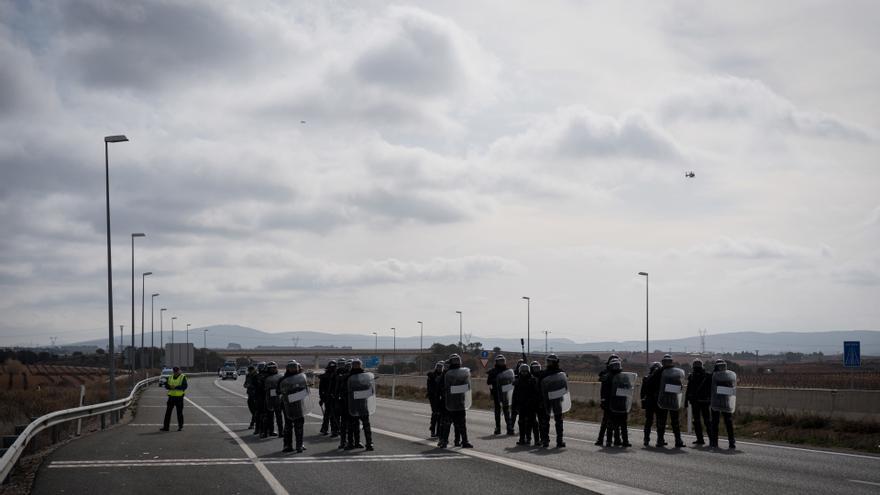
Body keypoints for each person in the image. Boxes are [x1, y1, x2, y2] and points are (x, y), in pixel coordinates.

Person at [438, 354, 473, 449]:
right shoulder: (446, 373)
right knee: (447, 423)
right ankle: (444, 441)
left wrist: (455, 389)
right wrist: (449, 391)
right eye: (454, 360)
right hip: (448, 401)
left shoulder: (464, 373)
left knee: (462, 423)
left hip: (460, 401)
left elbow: (468, 386)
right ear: (450, 362)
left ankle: (463, 441)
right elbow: (441, 387)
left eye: (457, 360)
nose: (456, 362)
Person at [655, 355, 685, 448]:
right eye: (666, 361)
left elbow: (680, 385)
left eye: (668, 361)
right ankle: (660, 440)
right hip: (663, 399)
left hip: (672, 399)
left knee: (674, 421)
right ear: (663, 362)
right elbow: (651, 383)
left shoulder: (676, 373)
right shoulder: (659, 372)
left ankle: (678, 440)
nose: (667, 363)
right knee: (662, 421)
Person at [538, 354, 567, 448]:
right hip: (546, 400)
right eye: (548, 361)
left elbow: (564, 385)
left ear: (555, 362)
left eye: (550, 361)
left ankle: (560, 441)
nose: (548, 363)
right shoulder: (543, 374)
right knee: (545, 421)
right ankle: (545, 440)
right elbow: (539, 388)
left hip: (557, 400)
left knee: (559, 421)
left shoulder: (561, 372)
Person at [279, 360, 308, 453]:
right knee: (288, 426)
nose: (293, 369)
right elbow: (277, 391)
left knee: (299, 425)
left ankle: (299, 445)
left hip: (299, 404)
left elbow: (305, 389)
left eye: (294, 367)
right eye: (291, 367)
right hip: (287, 405)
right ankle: (287, 445)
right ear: (287, 369)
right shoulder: (283, 379)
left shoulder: (301, 378)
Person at [347, 358, 375, 451]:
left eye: (358, 364)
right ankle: (352, 443)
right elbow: (345, 390)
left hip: (363, 404)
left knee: (366, 425)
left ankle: (369, 443)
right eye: (355, 364)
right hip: (352, 404)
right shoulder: (348, 376)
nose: (356, 366)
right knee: (352, 426)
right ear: (352, 365)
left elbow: (370, 389)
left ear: (360, 365)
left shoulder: (365, 376)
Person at [709, 359, 737, 449]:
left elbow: (732, 388)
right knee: (716, 423)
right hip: (717, 402)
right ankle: (715, 442)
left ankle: (731, 441)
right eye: (720, 366)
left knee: (727, 422)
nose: (721, 368)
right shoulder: (713, 376)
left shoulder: (728, 376)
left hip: (724, 402)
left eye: (723, 366)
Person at [596, 354, 622, 446]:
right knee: (606, 421)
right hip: (608, 400)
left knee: (616, 421)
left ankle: (617, 440)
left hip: (617, 401)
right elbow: (603, 386)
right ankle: (601, 439)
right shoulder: (606, 374)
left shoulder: (620, 374)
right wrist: (603, 400)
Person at [685, 358, 712, 445]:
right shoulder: (707, 375)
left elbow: (688, 389)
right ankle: (711, 440)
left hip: (697, 401)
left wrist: (686, 401)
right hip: (703, 401)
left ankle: (701, 439)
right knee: (706, 420)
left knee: (698, 420)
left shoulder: (693, 375)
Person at [511, 363, 538, 446]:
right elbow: (514, 395)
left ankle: (536, 440)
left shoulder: (533, 380)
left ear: (528, 371)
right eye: (522, 371)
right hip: (521, 405)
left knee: (533, 423)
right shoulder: (517, 381)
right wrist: (514, 406)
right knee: (521, 422)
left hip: (531, 405)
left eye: (526, 371)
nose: (524, 373)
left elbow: (536, 393)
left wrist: (535, 403)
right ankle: (522, 439)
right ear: (520, 372)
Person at [487, 355, 514, 435]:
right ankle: (497, 428)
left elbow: (511, 381)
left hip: (505, 393)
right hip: (496, 393)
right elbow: (489, 382)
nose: (501, 362)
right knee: (497, 411)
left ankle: (509, 428)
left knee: (506, 410)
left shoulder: (508, 370)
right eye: (500, 361)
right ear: (497, 362)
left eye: (503, 360)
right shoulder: (493, 371)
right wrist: (495, 381)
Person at [641, 361, 662, 446]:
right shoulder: (660, 379)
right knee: (658, 422)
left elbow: (642, 393)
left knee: (649, 421)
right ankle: (659, 440)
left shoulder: (647, 378)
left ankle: (647, 439)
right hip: (657, 402)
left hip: (651, 402)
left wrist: (643, 403)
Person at [160, 366, 187, 431]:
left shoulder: (182, 377)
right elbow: (166, 386)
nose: (175, 373)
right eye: (174, 371)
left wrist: (175, 387)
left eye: (176, 371)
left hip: (179, 398)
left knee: (179, 413)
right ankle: (166, 427)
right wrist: (169, 387)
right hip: (171, 397)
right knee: (168, 413)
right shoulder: (170, 377)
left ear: (179, 371)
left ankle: (180, 426)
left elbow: (184, 386)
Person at [262, 362, 283, 438]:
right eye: (271, 368)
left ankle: (281, 432)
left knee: (279, 416)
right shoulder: (264, 377)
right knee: (268, 416)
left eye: (274, 368)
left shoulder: (280, 376)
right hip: (267, 398)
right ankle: (267, 431)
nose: (273, 369)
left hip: (278, 398)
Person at [334, 359, 351, 449]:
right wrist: (337, 400)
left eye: (350, 367)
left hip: (353, 404)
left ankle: (353, 442)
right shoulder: (341, 377)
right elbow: (337, 390)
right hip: (344, 403)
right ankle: (343, 442)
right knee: (344, 424)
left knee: (353, 424)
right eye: (348, 367)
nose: (349, 368)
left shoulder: (356, 377)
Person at [318, 360, 338, 436]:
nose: (333, 368)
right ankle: (329, 429)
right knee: (329, 414)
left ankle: (332, 429)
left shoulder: (337, 376)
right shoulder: (325, 376)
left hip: (335, 397)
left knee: (332, 414)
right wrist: (322, 399)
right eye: (331, 367)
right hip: (328, 398)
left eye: (334, 367)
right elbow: (321, 389)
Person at [426, 361, 444, 437]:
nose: (439, 368)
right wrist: (434, 393)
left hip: (441, 397)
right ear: (436, 367)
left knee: (440, 415)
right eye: (438, 366)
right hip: (433, 397)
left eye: (441, 367)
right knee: (435, 413)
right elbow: (430, 387)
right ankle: (432, 429)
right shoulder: (432, 375)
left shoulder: (444, 375)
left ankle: (438, 431)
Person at [528, 361, 542, 446]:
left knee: (541, 422)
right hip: (531, 403)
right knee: (532, 422)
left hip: (540, 402)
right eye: (535, 368)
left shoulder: (542, 377)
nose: (537, 369)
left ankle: (540, 439)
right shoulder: (529, 378)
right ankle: (530, 438)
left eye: (538, 367)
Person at [253, 362, 268, 436]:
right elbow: (255, 386)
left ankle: (261, 429)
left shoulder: (266, 376)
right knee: (261, 413)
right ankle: (259, 429)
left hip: (263, 396)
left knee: (261, 413)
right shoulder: (257, 376)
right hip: (261, 396)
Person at [243, 365, 257, 429]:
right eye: (249, 370)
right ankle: (255, 421)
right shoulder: (248, 375)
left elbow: (258, 385)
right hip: (250, 394)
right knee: (252, 410)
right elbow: (245, 384)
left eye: (251, 370)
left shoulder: (257, 375)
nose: (250, 372)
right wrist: (246, 385)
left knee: (255, 410)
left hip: (255, 395)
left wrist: (250, 385)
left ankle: (252, 423)